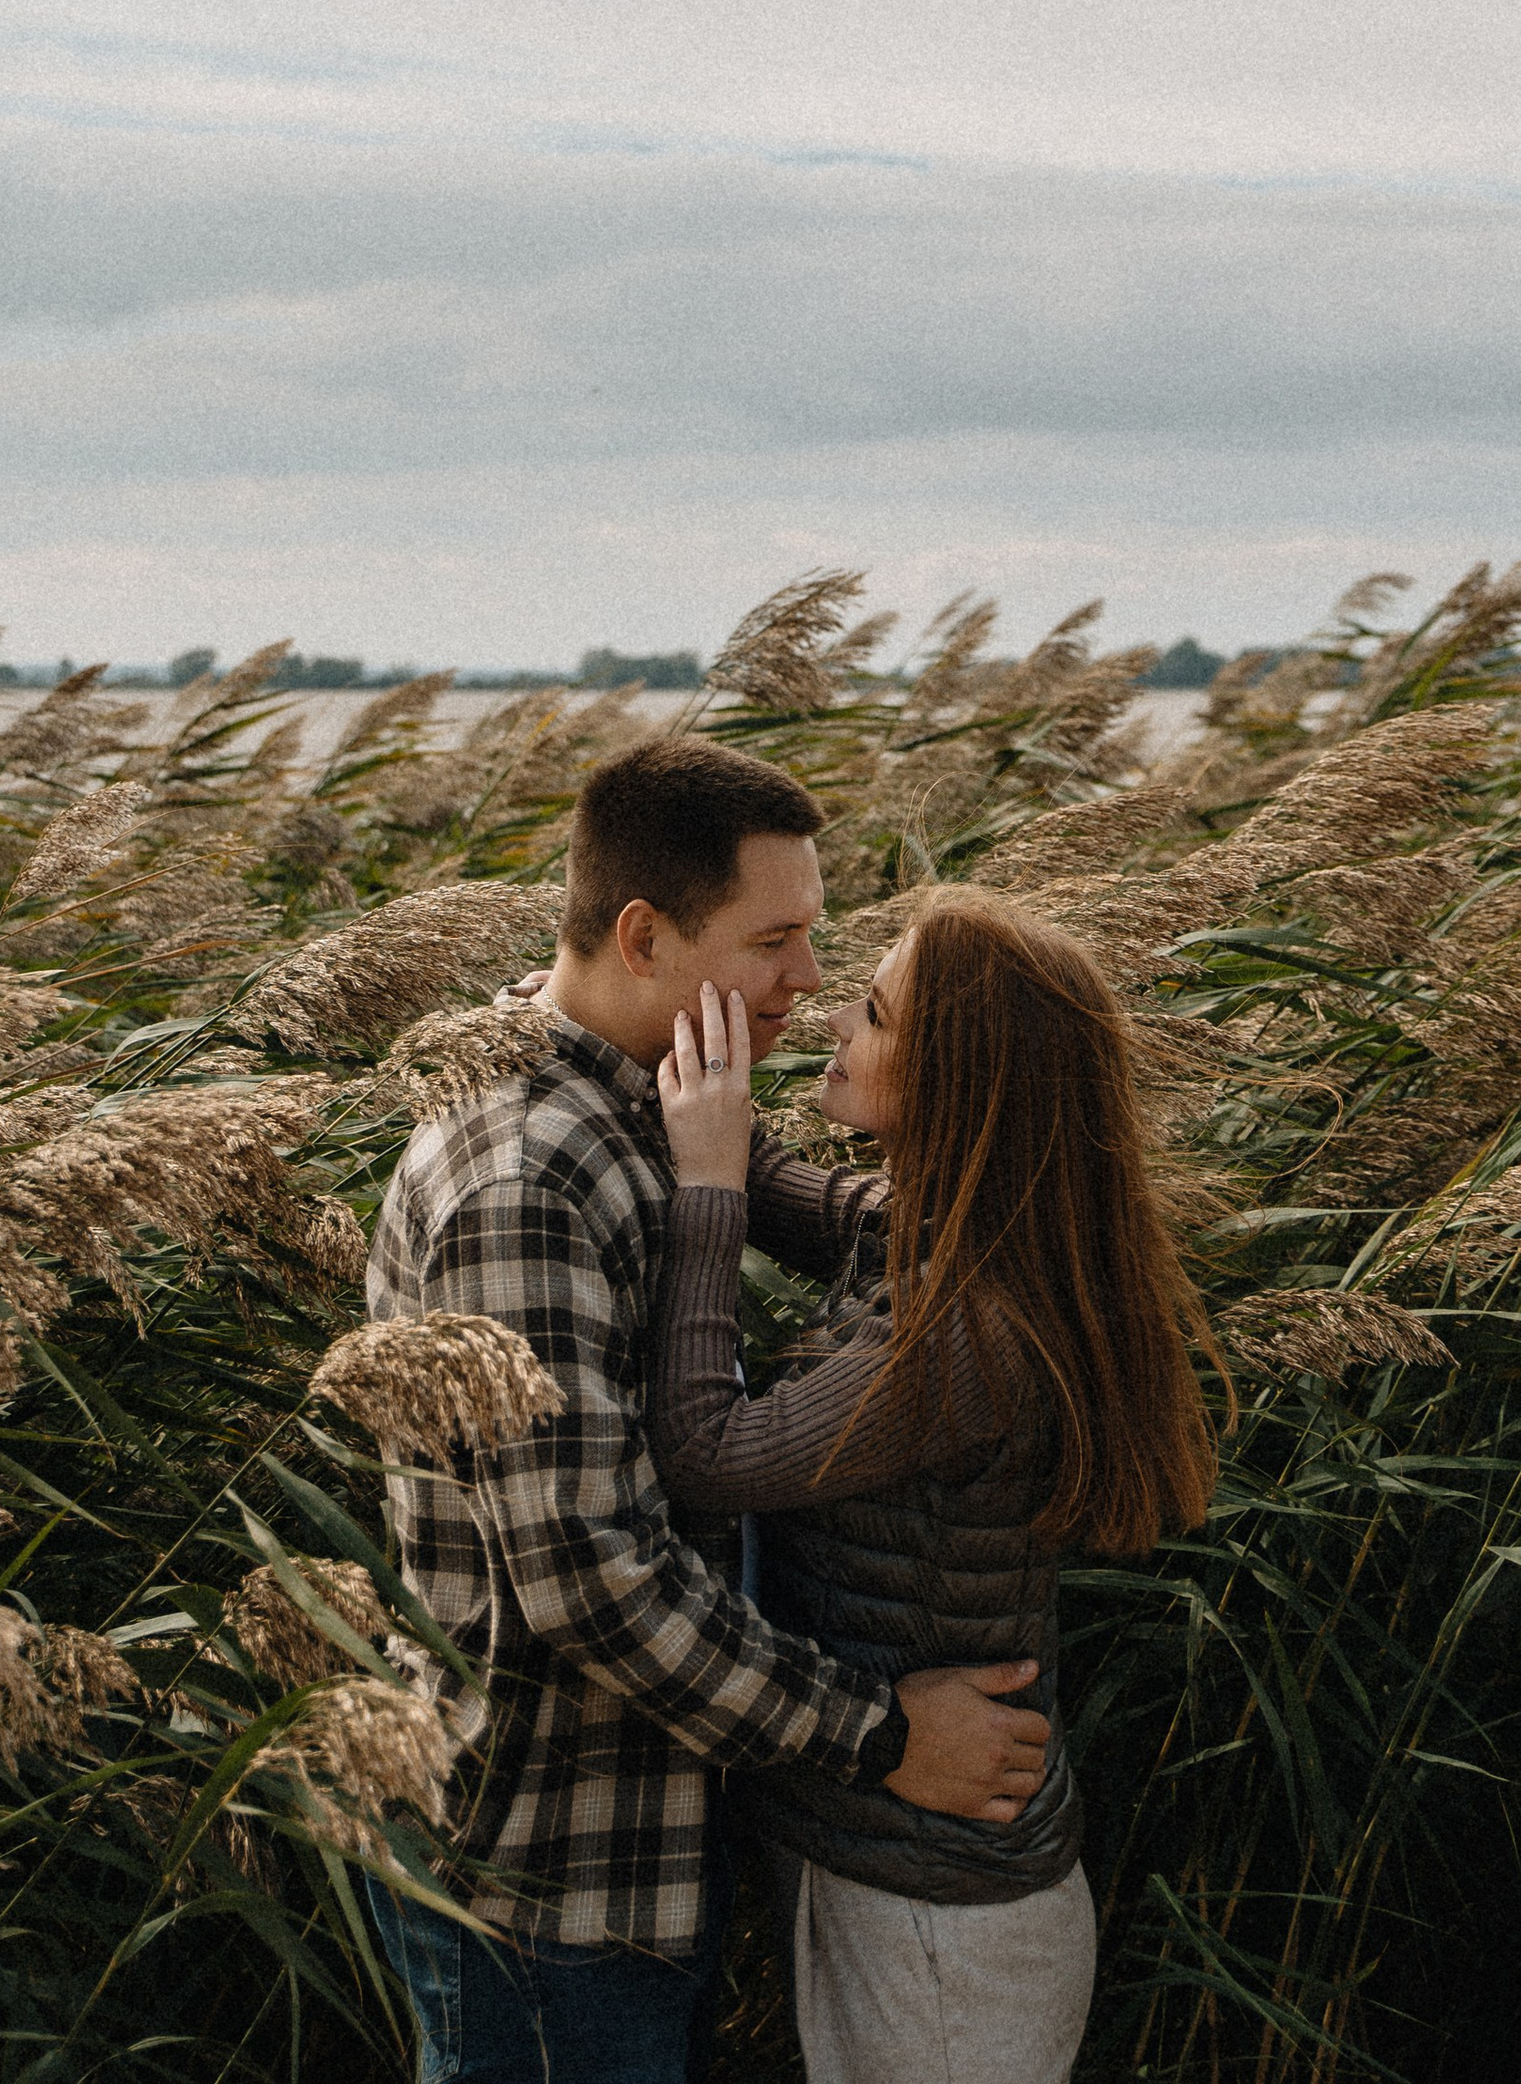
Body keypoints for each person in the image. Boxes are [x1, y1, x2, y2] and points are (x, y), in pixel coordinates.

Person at [363, 737, 1057, 2082]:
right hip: (545, 1883)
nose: (808, 978)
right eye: (778, 938)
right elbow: (591, 1584)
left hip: (640, 1850)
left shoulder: (653, 1091)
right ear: (643, 936)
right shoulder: (528, 1183)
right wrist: (887, 1733)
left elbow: (804, 1196)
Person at [648, 886, 1221, 2084]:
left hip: (939, 1926)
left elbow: (709, 1448)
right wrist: (643, 1034)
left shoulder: (967, 1327)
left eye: (870, 1012)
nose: (836, 1028)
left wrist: (701, 1192)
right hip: (909, 1873)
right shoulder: (958, 1229)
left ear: (956, 1074)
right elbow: (786, 1189)